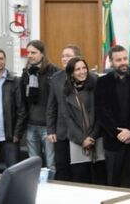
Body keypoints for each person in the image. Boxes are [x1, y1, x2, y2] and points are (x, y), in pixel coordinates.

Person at [95, 45, 130, 188]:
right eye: (118, 60)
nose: (123, 62)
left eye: (125, 58)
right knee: (113, 182)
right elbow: (101, 112)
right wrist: (118, 133)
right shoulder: (102, 82)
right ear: (111, 62)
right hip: (113, 140)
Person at [61, 57, 106, 184]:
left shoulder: (95, 86)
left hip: (96, 138)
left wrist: (92, 136)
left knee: (100, 178)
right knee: (81, 179)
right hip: (77, 140)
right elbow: (67, 118)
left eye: (84, 68)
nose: (82, 72)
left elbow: (100, 114)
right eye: (78, 69)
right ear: (71, 73)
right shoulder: (65, 91)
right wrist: (82, 139)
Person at [21, 40, 59, 178]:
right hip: (31, 125)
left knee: (51, 164)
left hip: (48, 127)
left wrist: (53, 126)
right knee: (33, 164)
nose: (30, 55)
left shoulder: (54, 71)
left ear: (42, 54)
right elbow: (23, 101)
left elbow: (56, 101)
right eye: (28, 52)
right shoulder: (26, 73)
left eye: (33, 52)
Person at [47, 45, 83, 181]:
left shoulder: (88, 77)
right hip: (61, 132)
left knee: (79, 171)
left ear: (78, 58)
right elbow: (52, 106)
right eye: (62, 56)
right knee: (62, 168)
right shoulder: (56, 78)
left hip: (81, 133)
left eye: (68, 55)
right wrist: (51, 129)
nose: (64, 58)